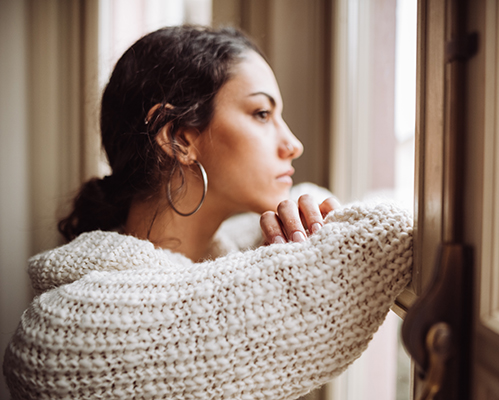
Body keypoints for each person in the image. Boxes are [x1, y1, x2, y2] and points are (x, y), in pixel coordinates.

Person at [3, 26, 413, 399]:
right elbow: (382, 236)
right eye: (262, 114)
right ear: (179, 138)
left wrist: (312, 218)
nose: (292, 143)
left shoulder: (232, 256)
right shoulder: (67, 329)